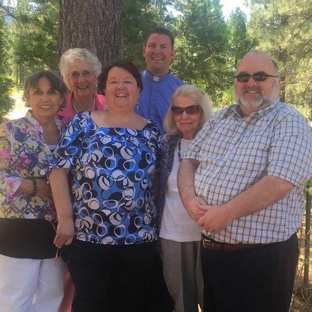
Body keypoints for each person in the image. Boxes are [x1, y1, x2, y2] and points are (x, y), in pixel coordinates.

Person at [177, 51, 312, 312]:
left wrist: (228, 212)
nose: (250, 82)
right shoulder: (222, 117)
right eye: (243, 76)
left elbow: (281, 181)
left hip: (260, 260)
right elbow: (189, 161)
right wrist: (189, 199)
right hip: (213, 254)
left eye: (260, 76)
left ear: (277, 82)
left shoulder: (289, 121)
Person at [48, 61, 163, 312]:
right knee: (90, 304)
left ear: (138, 89)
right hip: (90, 237)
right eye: (113, 81)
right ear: (104, 90)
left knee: (132, 305)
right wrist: (65, 218)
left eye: (127, 81)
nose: (120, 86)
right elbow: (58, 170)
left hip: (139, 239)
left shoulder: (152, 131)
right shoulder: (83, 124)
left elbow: (157, 182)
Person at [0, 70, 67, 311]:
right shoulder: (10, 131)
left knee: (51, 298)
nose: (45, 98)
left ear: (62, 99)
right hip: (18, 227)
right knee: (15, 299)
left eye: (52, 92)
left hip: (58, 230)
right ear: (28, 97)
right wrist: (34, 186)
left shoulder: (69, 133)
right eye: (38, 92)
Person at [159, 84, 213, 312]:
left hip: (210, 234)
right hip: (172, 233)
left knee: (211, 294)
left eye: (191, 109)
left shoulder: (216, 145)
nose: (184, 116)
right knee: (181, 299)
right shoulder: (165, 145)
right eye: (177, 110)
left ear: (202, 111)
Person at [136, 27, 184, 134]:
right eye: (152, 46)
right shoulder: (130, 84)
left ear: (172, 54)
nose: (157, 51)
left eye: (163, 47)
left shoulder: (182, 91)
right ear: (144, 51)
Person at [57, 47, 107, 123]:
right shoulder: (58, 110)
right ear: (68, 80)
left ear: (96, 77)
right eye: (74, 74)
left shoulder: (109, 106)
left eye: (86, 73)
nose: (81, 80)